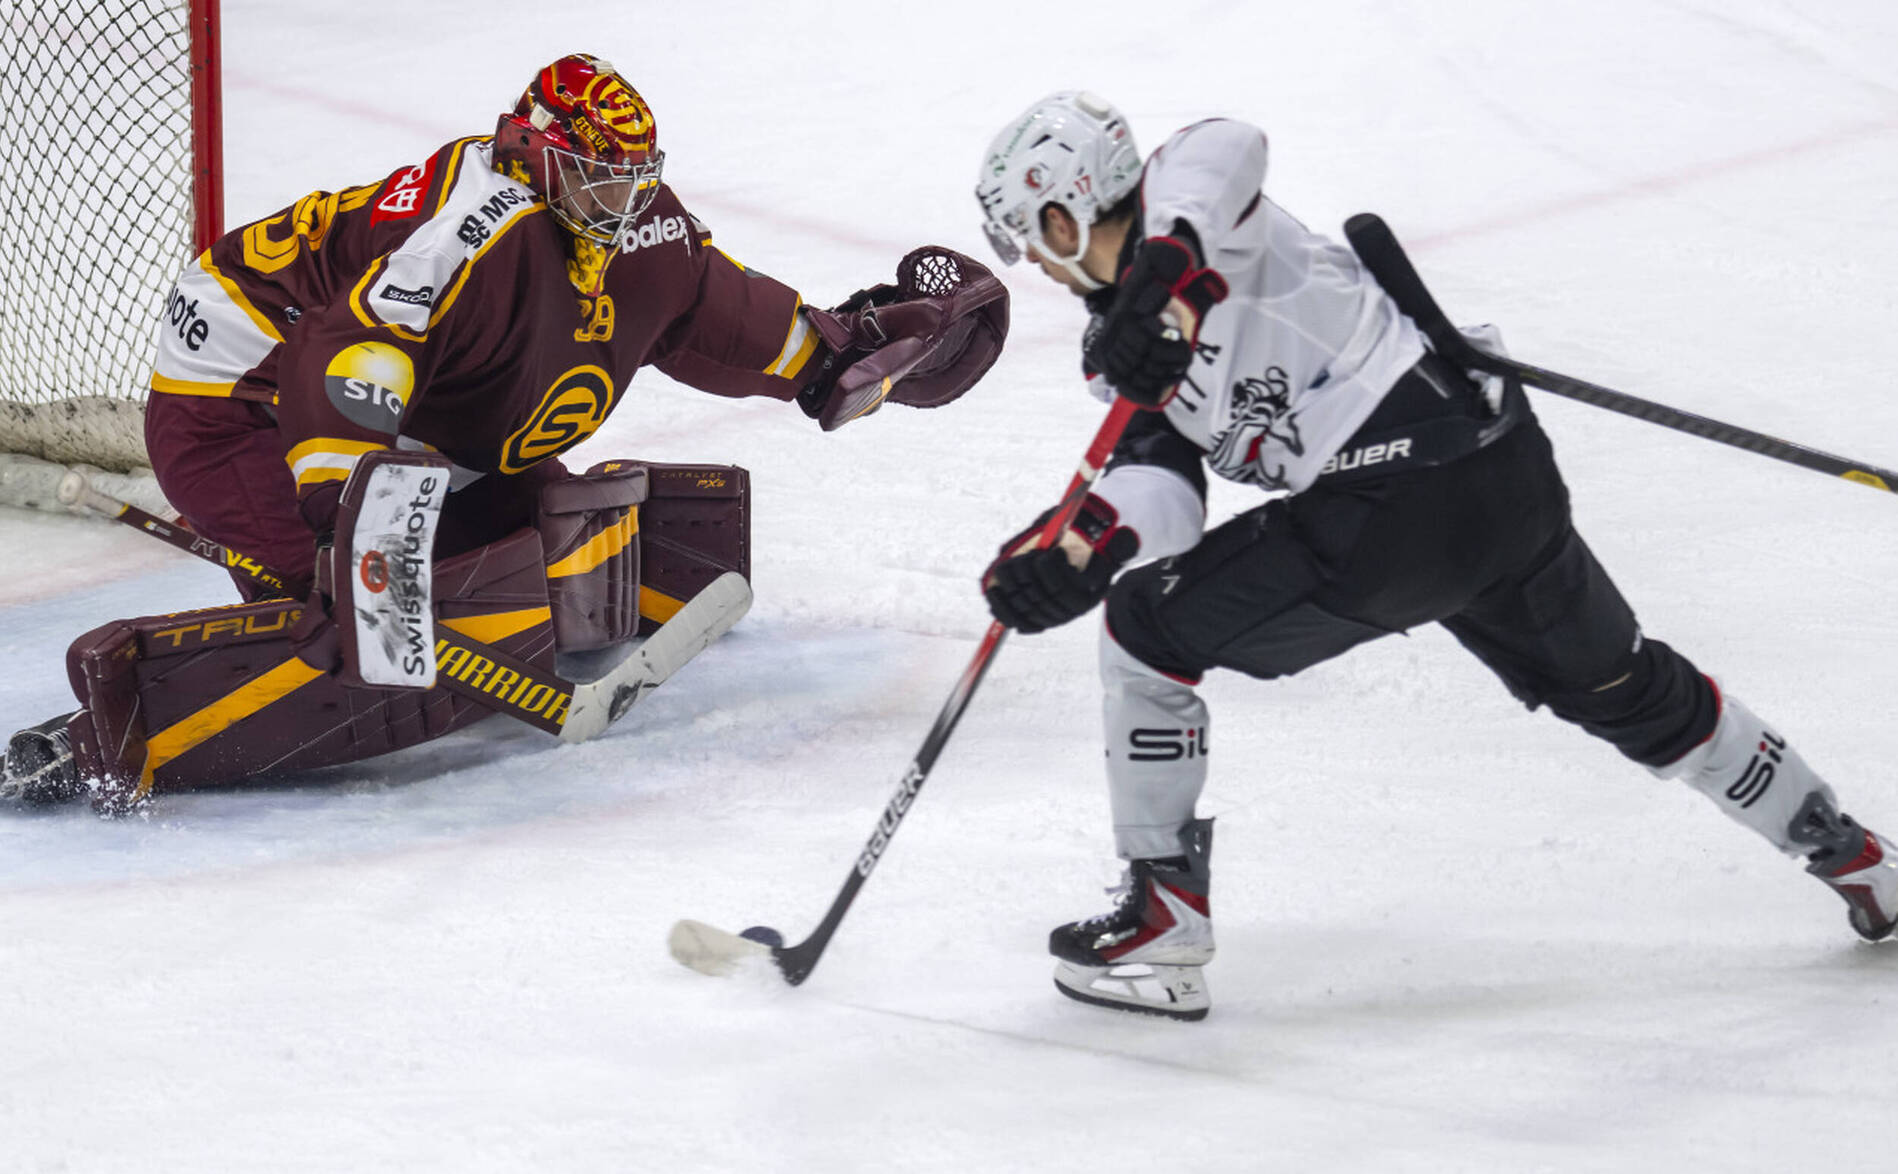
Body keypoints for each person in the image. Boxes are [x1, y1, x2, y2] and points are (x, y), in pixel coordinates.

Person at [973, 91, 1897, 1021]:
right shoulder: (1118, 354)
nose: (1040, 266)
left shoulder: (1188, 199)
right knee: (1622, 684)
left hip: (1395, 506)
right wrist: (1083, 552)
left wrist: (1161, 284)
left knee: (1145, 636)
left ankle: (1163, 923)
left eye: (1029, 235)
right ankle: (1857, 858)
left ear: (1063, 210)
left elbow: (1229, 145)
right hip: (1491, 480)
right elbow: (1164, 493)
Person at [0, 54, 1007, 812]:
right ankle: (117, 723)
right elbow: (346, 354)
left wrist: (836, 355)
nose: (621, 201)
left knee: (497, 523)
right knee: (348, 592)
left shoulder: (631, 213)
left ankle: (407, 550)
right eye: (595, 176)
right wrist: (340, 520)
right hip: (241, 397)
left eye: (634, 177)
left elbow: (709, 306)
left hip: (428, 401)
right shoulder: (468, 229)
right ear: (530, 149)